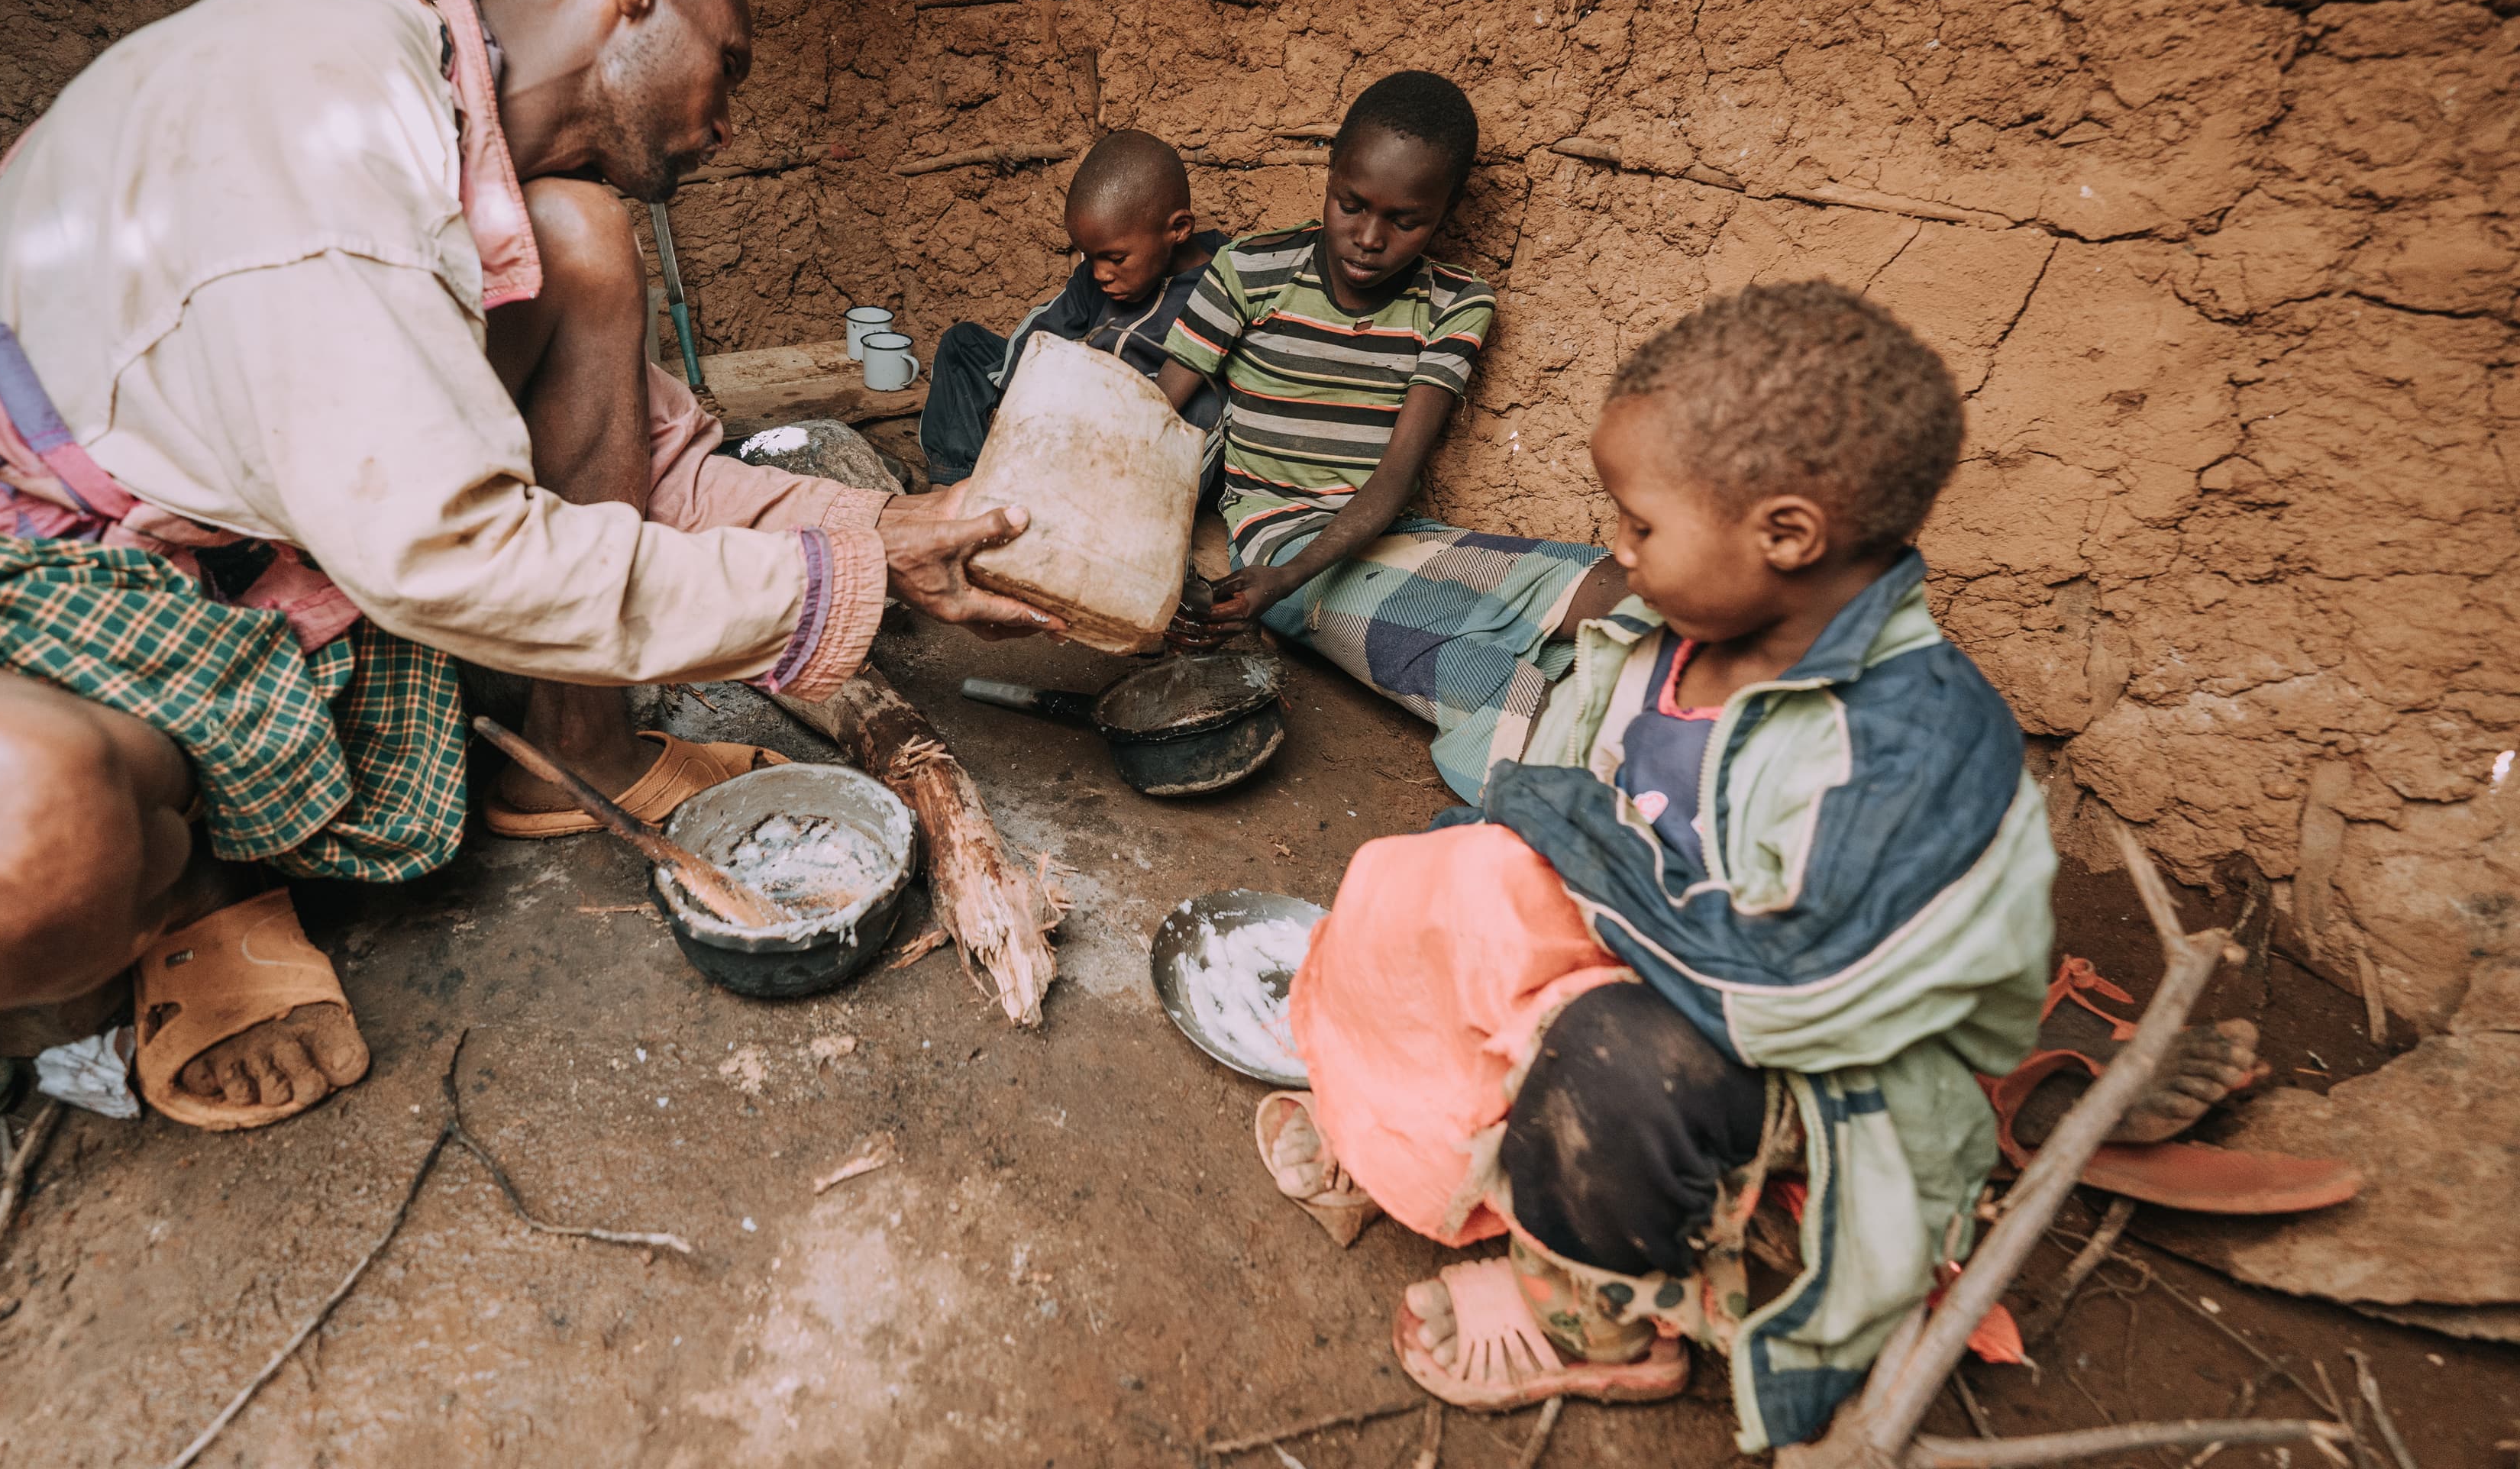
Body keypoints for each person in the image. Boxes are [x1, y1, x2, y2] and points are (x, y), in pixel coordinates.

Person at [0, 0, 1050, 1132]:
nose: (728, 121)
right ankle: (178, 898)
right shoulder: (319, 145)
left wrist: (880, 536)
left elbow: (645, 482)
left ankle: (577, 755)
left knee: (585, 240)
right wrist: (819, 596)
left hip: (211, 558)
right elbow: (458, 554)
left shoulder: (431, 127)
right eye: (728, 65)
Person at [1257, 284, 2260, 1451]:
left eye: (1638, 527)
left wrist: (1572, 858)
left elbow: (1785, 1000)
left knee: (1623, 1057)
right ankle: (1424, 1134)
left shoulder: (1914, 743)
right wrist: (1522, 859)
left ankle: (1602, 1328)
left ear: (1784, 535)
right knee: (1433, 861)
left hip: (1814, 1063)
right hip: (1661, 946)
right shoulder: (1654, 639)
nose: (1615, 554)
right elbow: (1553, 814)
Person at [1158, 70, 1630, 797]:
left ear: (1445, 211)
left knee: (1620, 583)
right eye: (1351, 205)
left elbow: (1396, 476)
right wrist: (1259, 574)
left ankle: (1705, 719)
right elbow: (1157, 414)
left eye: (1406, 220)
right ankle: (1591, 797)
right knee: (1473, 668)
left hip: (1386, 528)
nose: (1370, 238)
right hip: (1279, 543)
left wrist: (1284, 582)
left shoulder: (1456, 303)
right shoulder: (1249, 269)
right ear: (1330, 176)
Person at [918, 130, 1225, 488]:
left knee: (1206, 407)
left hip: (1140, 437)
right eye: (1088, 257)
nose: (1100, 274)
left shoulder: (1224, 284)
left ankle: (1112, 512)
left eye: (1115, 258)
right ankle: (959, 484)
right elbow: (1042, 331)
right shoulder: (1095, 275)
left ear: (1179, 229)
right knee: (963, 343)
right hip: (1073, 413)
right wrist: (1011, 399)